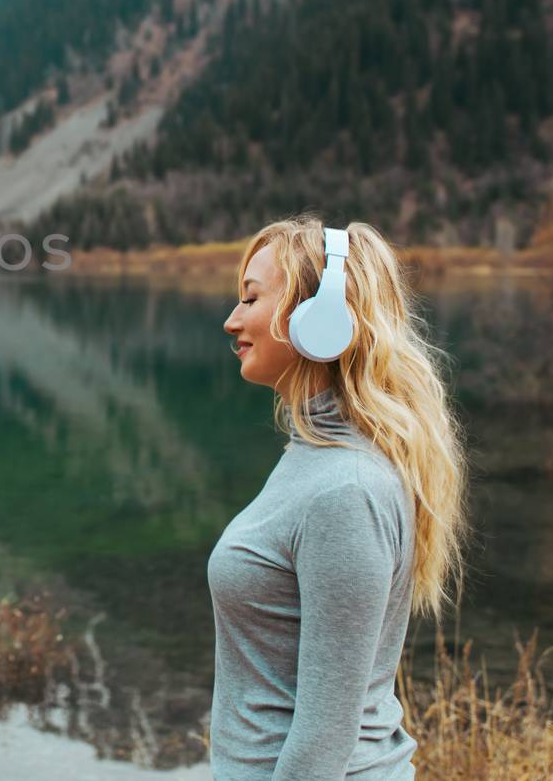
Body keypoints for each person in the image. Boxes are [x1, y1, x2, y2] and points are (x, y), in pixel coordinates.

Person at [209, 216, 468, 780]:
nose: (232, 321)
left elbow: (325, 735)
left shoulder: (346, 489)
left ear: (318, 318)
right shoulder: (315, 454)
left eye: (251, 299)